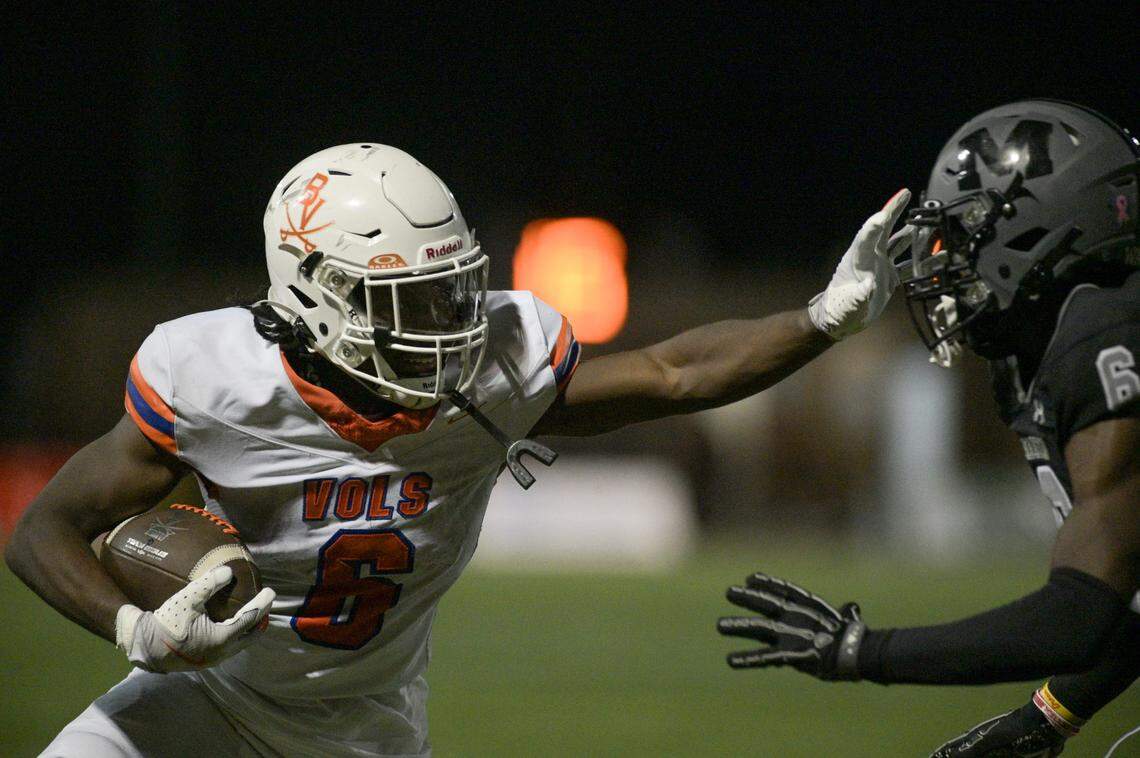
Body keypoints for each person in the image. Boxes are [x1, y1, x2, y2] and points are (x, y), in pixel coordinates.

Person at [5, 143, 911, 757]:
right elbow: (42, 530)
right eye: (411, 302)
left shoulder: (491, 375)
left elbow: (674, 373)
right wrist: (139, 631)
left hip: (365, 731)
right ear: (312, 296)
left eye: (453, 293)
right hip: (200, 705)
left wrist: (822, 318)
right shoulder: (216, 380)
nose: (447, 328)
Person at [716, 100, 1140, 756]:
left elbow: (1081, 613)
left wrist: (865, 652)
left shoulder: (1106, 337)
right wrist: (1048, 717)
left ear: (1038, 227)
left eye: (966, 236)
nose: (946, 268)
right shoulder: (1073, 339)